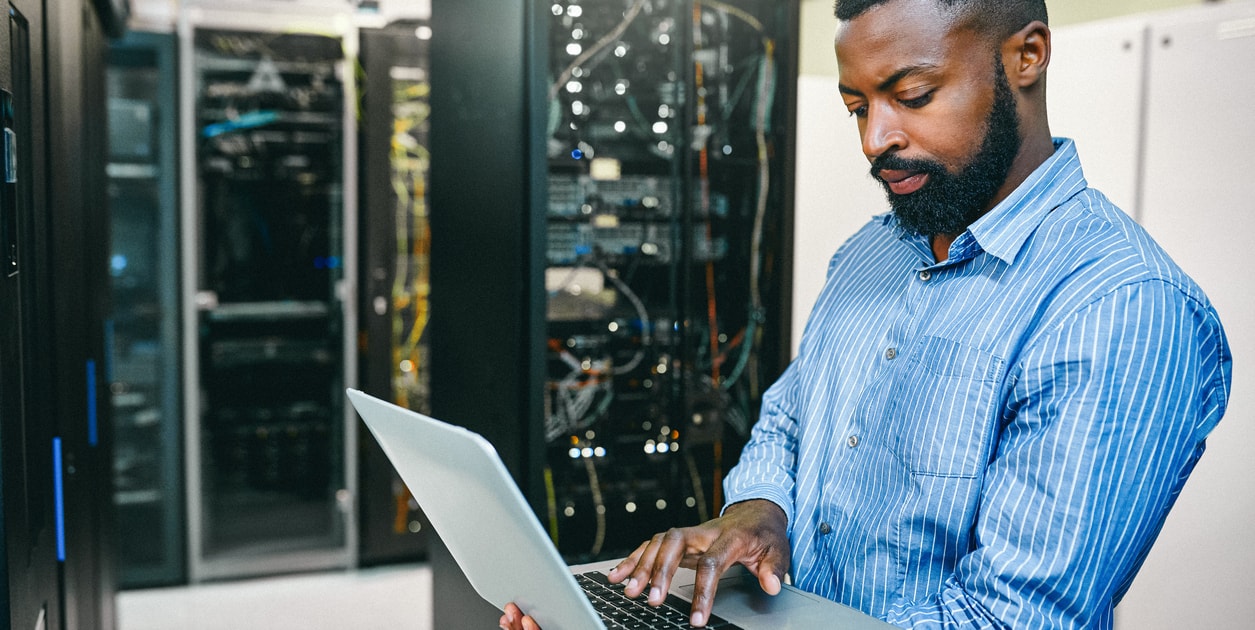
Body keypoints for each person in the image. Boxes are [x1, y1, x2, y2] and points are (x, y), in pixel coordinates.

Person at [502, 0, 1232, 627]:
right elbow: (790, 420)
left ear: (1027, 56)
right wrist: (758, 510)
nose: (873, 139)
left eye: (911, 95)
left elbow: (1003, 619)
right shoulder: (873, 252)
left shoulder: (1121, 309)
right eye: (855, 106)